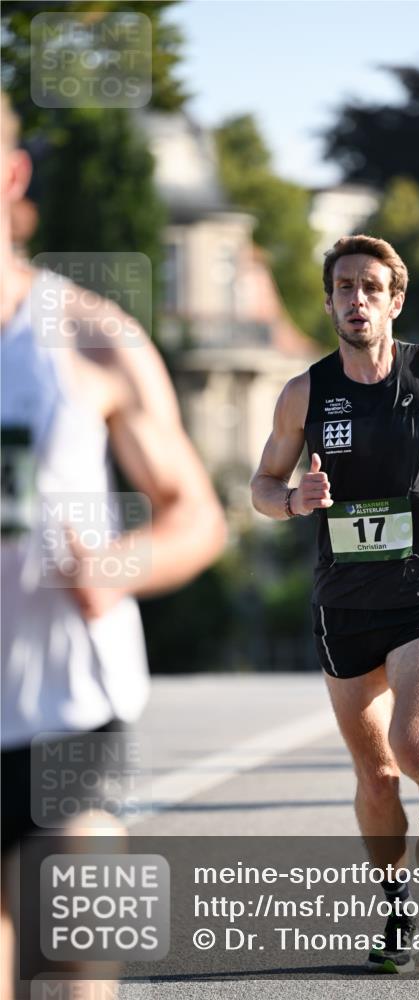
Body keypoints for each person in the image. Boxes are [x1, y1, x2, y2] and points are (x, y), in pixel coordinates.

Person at [1, 93, 227, 999]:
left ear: (11, 177)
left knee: (71, 978)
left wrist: (115, 565)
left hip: (70, 713)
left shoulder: (90, 338)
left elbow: (195, 515)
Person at [251, 234, 419, 973]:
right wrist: (292, 499)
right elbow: (260, 487)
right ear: (329, 300)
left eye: (370, 287)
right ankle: (395, 907)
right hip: (343, 602)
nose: (355, 300)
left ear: (394, 300)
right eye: (342, 288)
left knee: (416, 746)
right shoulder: (304, 391)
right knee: (372, 776)